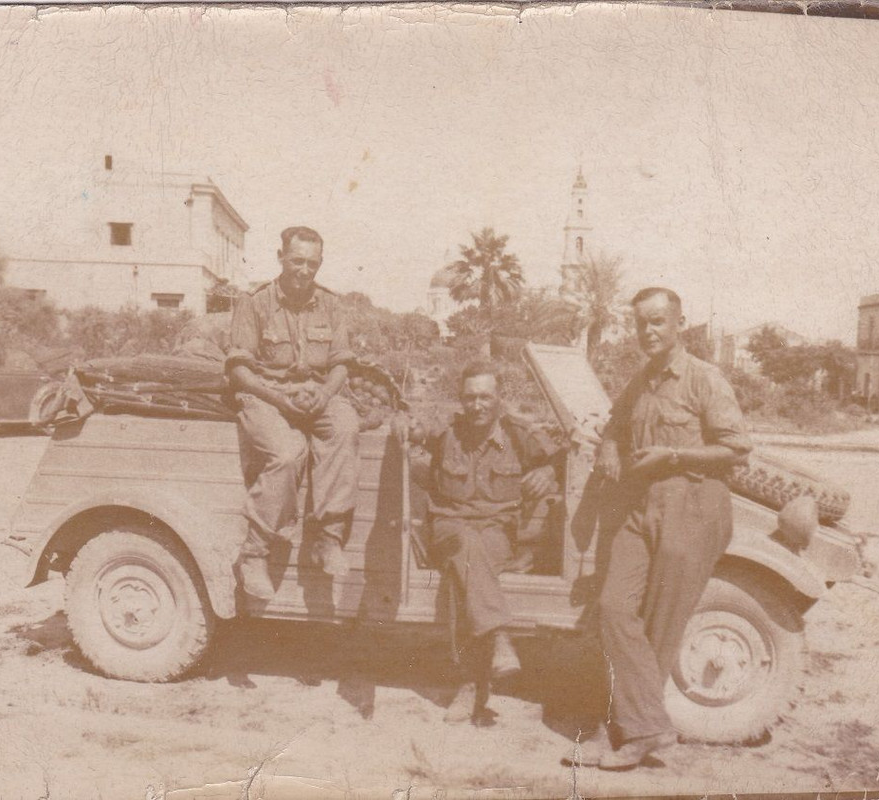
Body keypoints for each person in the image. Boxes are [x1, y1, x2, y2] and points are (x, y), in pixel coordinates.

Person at [569, 287, 752, 770]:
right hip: (641, 505)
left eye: (657, 322)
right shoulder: (642, 378)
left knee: (660, 624)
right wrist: (610, 447)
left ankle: (629, 734)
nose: (648, 332)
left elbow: (736, 448)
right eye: (641, 324)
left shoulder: (704, 379)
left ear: (679, 324)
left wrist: (673, 455)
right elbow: (615, 424)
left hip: (692, 506)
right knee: (613, 607)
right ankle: (648, 728)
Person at [393, 361, 560, 724]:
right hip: (449, 525)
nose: (477, 405)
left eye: (485, 397)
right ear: (461, 399)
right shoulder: (446, 430)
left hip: (498, 530)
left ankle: (470, 683)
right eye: (470, 398)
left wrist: (547, 471)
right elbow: (410, 427)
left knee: (462, 575)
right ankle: (498, 636)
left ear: (499, 398)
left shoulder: (519, 433)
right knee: (465, 546)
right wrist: (403, 425)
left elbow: (563, 459)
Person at [226, 226, 360, 601]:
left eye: (312, 264)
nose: (304, 270)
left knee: (346, 428)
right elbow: (239, 371)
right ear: (281, 257)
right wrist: (279, 399)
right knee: (288, 454)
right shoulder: (255, 303)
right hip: (265, 394)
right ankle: (255, 553)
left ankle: (328, 538)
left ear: (320, 263)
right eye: (297, 261)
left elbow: (341, 363)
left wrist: (326, 393)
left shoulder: (331, 305)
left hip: (315, 393)